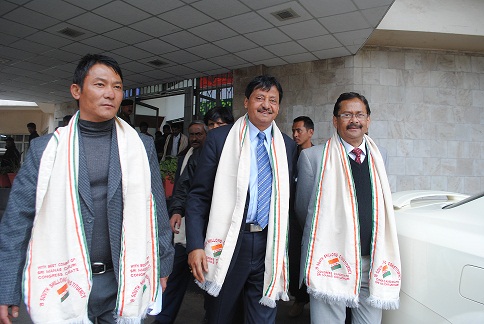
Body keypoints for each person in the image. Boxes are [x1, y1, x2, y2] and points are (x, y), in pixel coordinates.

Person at [0, 54, 174, 324]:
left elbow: (156, 209)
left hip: (122, 280)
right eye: (100, 85)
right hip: (63, 282)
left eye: (117, 87)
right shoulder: (46, 149)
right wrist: (6, 286)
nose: (110, 94)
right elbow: (17, 221)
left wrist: (163, 263)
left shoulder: (140, 145)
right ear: (77, 90)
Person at [185, 75, 297, 324]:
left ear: (278, 107)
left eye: (272, 100)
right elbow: (198, 196)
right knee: (220, 314)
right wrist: (194, 245)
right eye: (259, 98)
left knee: (263, 317)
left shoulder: (287, 147)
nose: (266, 105)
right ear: (246, 102)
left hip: (269, 243)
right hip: (229, 242)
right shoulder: (220, 139)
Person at [295, 92, 401, 324]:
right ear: (335, 121)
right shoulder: (313, 158)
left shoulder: (379, 155)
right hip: (330, 260)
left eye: (360, 114)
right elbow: (304, 212)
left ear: (368, 120)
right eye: (347, 114)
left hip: (371, 260)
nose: (354, 120)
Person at [154, 120, 208, 324]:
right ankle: (163, 318)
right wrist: (176, 210)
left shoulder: (209, 157)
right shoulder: (184, 156)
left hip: (202, 232)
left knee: (206, 282)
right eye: (192, 134)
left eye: (199, 134)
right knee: (174, 277)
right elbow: (181, 188)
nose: (195, 138)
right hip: (181, 229)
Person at [287, 116, 314, 318]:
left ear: (310, 132)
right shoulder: (289, 154)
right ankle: (299, 298)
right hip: (291, 218)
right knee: (294, 260)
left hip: (311, 217)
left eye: (300, 131)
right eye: (294, 131)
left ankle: (311, 298)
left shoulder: (316, 156)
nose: (296, 135)